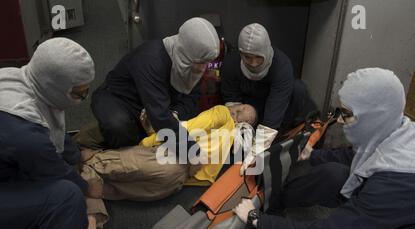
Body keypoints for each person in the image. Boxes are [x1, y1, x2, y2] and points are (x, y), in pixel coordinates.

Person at [234, 68, 415, 229]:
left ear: (373, 117)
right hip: (398, 215)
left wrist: (258, 220)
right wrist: (314, 155)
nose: (340, 121)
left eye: (347, 114)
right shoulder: (401, 130)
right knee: (332, 174)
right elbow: (358, 155)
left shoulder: (394, 184)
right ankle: (276, 202)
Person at [0, 38, 101, 229]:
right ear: (54, 86)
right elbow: (53, 166)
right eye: (78, 94)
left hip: (9, 169)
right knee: (66, 197)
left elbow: (54, 137)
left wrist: (77, 154)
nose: (82, 99)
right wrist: (90, 188)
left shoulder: (17, 79)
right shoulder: (24, 132)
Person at [78, 104, 257, 216]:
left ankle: (68, 167)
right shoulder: (231, 154)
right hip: (174, 184)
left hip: (166, 156)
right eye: (238, 110)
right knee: (106, 189)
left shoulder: (223, 113)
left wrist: (149, 139)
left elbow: (189, 130)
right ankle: (90, 212)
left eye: (240, 113)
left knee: (95, 165)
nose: (237, 114)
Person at [91, 17, 220, 150]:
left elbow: (192, 99)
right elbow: (160, 116)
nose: (202, 69)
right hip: (120, 99)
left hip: (156, 104)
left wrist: (176, 113)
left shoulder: (192, 60)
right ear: (185, 54)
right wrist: (192, 152)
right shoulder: (151, 59)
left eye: (207, 62)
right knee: (118, 126)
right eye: (200, 62)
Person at [221, 23, 316, 133]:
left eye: (258, 57)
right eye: (247, 57)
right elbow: (232, 106)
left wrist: (260, 146)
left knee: (298, 89)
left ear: (266, 52)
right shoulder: (231, 63)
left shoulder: (281, 66)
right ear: (240, 53)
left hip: (277, 107)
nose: (253, 63)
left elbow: (273, 116)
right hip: (247, 107)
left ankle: (283, 135)